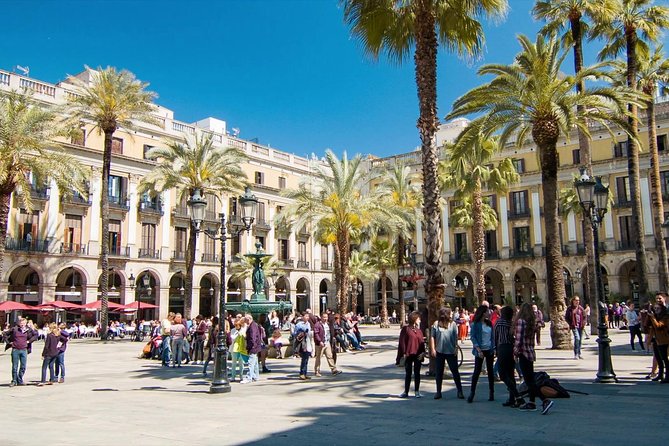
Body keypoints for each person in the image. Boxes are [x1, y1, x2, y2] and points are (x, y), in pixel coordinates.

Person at [514, 302, 554, 415]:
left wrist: (515, 352)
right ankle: (531, 402)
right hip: (531, 353)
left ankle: (545, 400)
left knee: (529, 381)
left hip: (523, 353)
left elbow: (519, 340)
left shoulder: (521, 322)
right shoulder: (532, 323)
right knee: (530, 378)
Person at [429, 307, 463, 400]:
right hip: (439, 351)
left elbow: (456, 337)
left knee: (455, 371)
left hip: (451, 352)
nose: (451, 314)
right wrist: (432, 349)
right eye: (450, 313)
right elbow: (432, 337)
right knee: (439, 372)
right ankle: (438, 392)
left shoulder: (453, 324)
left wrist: (456, 347)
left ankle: (460, 391)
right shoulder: (436, 324)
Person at [495, 306, 523, 408]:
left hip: (502, 347)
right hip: (510, 348)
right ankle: (512, 398)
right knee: (511, 374)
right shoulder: (512, 323)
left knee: (502, 374)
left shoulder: (499, 322)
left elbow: (496, 336)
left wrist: (495, 350)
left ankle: (517, 396)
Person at [467, 305, 496, 403]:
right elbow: (473, 337)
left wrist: (494, 348)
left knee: (490, 371)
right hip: (480, 350)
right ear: (483, 313)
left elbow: (493, 337)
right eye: (487, 311)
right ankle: (472, 393)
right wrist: (478, 349)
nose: (489, 313)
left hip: (489, 349)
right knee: (477, 371)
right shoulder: (476, 324)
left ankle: (491, 392)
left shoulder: (489, 323)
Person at [397, 311, 425, 398]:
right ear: (414, 319)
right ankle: (406, 391)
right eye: (418, 319)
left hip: (418, 355)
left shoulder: (419, 331)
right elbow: (402, 342)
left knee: (417, 373)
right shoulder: (406, 329)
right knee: (408, 373)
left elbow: (422, 342)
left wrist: (423, 352)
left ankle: (417, 391)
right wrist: (404, 352)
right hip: (408, 354)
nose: (420, 320)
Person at [4, 317, 38, 386]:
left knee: (23, 366)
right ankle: (14, 380)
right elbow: (5, 334)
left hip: (24, 350)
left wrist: (29, 341)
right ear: (19, 323)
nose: (22, 325)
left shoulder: (28, 330)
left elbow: (36, 335)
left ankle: (19, 379)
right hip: (15, 349)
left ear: (26, 323)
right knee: (14, 366)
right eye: (21, 323)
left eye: (23, 323)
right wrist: (8, 342)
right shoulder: (15, 329)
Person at [647, 293, 669, 383]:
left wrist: (652, 317)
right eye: (655, 308)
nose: (656, 310)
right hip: (656, 339)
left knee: (665, 359)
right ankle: (660, 374)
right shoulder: (655, 315)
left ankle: (667, 376)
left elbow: (658, 326)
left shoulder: (666, 314)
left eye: (658, 309)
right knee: (658, 358)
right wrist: (649, 314)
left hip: (664, 339)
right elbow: (647, 325)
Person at [313, 312, 342, 377]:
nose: (325, 318)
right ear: (321, 317)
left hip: (327, 343)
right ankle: (317, 371)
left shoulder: (327, 324)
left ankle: (334, 370)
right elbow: (316, 333)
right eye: (324, 317)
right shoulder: (317, 324)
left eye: (326, 317)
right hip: (320, 344)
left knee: (330, 356)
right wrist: (319, 341)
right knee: (318, 357)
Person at [242, 314, 262, 383]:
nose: (245, 322)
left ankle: (249, 377)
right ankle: (255, 376)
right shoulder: (254, 325)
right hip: (255, 346)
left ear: (249, 319)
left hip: (253, 347)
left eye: (246, 320)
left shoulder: (252, 326)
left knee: (250, 362)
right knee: (255, 362)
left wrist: (252, 345)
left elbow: (253, 336)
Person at [293, 312, 313, 380]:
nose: (307, 318)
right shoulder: (299, 324)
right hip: (302, 343)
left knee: (306, 359)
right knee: (304, 359)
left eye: (308, 316)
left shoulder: (308, 324)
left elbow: (309, 333)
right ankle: (302, 373)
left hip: (307, 342)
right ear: (302, 317)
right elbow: (295, 333)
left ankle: (305, 373)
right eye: (306, 316)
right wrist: (301, 334)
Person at [230, 318, 248, 382]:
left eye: (237, 325)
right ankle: (233, 377)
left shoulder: (243, 330)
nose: (236, 326)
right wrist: (237, 333)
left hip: (241, 348)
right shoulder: (233, 330)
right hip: (234, 348)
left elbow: (245, 337)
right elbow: (232, 338)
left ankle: (241, 376)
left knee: (241, 363)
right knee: (233, 363)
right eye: (235, 325)